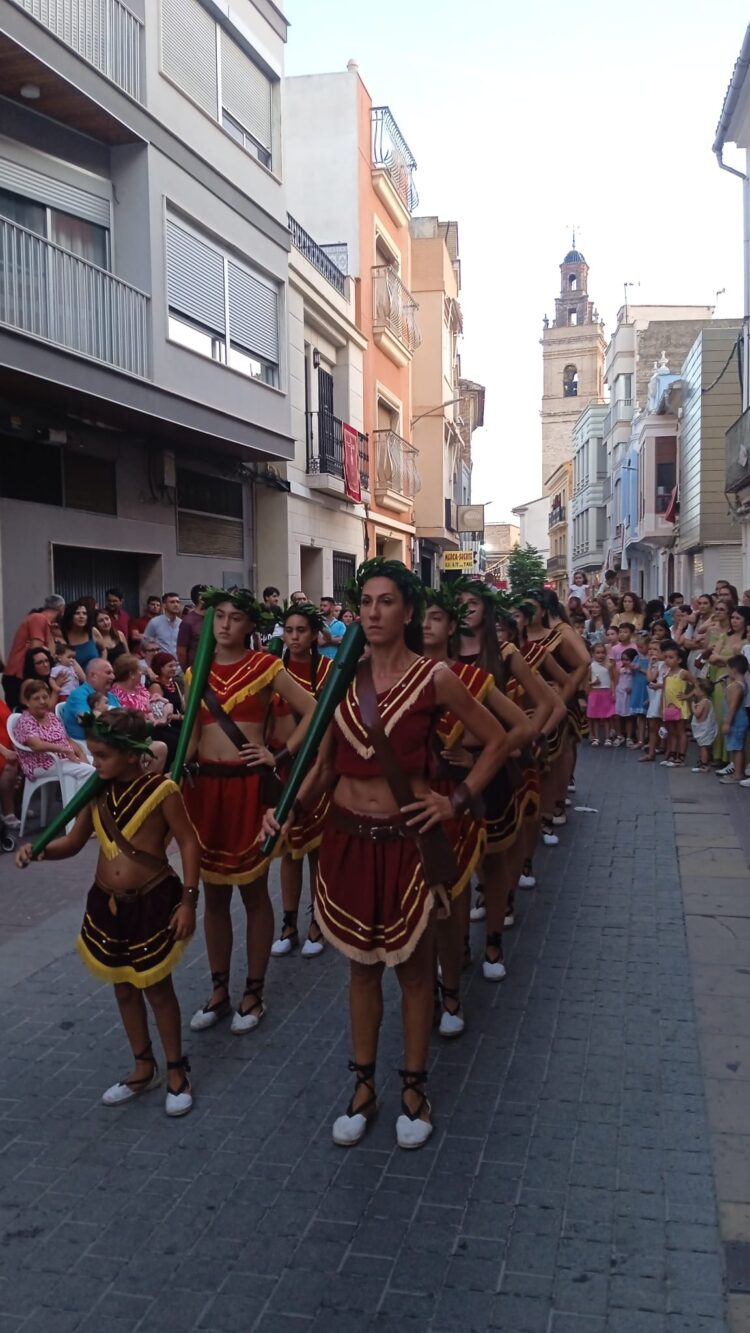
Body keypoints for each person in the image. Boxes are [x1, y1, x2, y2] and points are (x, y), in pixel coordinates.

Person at [264, 559, 505, 1150]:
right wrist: (290, 807)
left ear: (408, 610)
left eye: (386, 602)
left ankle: (415, 1089)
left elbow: (498, 739)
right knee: (361, 969)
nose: (372, 613)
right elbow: (323, 768)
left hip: (409, 842)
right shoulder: (341, 678)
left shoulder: (435, 678)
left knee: (415, 972)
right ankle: (363, 1085)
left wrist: (457, 801)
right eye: (365, 602)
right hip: (347, 838)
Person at [15, 710, 200, 1117]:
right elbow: (76, 841)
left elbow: (189, 843)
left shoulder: (163, 790)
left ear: (132, 756)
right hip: (106, 903)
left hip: (153, 901)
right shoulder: (96, 792)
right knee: (122, 987)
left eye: (102, 755)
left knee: (157, 988)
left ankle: (175, 1069)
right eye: (94, 754)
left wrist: (189, 900)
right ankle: (142, 1065)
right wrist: (41, 852)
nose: (94, 762)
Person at [184, 588, 316, 1036]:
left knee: (254, 893)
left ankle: (254, 992)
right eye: (218, 616)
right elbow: (192, 737)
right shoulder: (194, 673)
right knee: (213, 896)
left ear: (250, 625)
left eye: (235, 617)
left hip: (249, 790)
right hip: (207, 792)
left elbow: (314, 711)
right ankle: (220, 990)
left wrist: (279, 757)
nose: (224, 625)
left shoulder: (267, 667)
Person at [423, 585, 531, 1026]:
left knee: (469, 877)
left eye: (436, 617)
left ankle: (480, 952)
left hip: (464, 792)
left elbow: (521, 725)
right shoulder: (393, 674)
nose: (426, 626)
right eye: (422, 618)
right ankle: (433, 974)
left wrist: (480, 758)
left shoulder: (473, 676)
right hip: (415, 798)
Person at [270, 603, 333, 959]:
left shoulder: (327, 670)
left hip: (317, 767)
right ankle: (289, 923)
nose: (294, 637)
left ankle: (319, 921)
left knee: (318, 853)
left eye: (301, 631)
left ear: (314, 635)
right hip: (281, 767)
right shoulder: (271, 669)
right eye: (289, 630)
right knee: (289, 852)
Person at [12, 679, 92, 796]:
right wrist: (64, 750)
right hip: (42, 763)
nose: (42, 701)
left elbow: (67, 740)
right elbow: (36, 744)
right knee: (88, 771)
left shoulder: (51, 717)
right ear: (27, 702)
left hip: (63, 759)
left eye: (45, 697)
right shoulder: (26, 721)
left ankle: (86, 806)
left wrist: (82, 756)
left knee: (96, 764)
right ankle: (76, 810)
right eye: (36, 698)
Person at [3, 595, 65, 708]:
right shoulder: (38, 618)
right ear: (61, 608)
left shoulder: (47, 624)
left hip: (25, 675)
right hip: (18, 675)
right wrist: (44, 648)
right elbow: (37, 650)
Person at [62, 658, 119, 740]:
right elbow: (85, 720)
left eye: (113, 673)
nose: (113, 677)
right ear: (93, 675)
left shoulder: (111, 696)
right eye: (108, 673)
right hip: (86, 745)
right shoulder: (79, 694)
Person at [661, 643, 693, 768]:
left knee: (681, 731)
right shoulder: (666, 672)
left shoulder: (683, 673)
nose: (667, 660)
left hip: (680, 706)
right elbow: (664, 691)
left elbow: (696, 685)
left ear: (679, 660)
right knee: (671, 731)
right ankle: (672, 755)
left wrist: (687, 696)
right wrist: (662, 708)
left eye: (671, 657)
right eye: (666, 657)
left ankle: (681, 757)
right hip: (668, 707)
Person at [719, 657, 750, 784]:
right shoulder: (737, 684)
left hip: (736, 721)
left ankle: (738, 774)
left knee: (737, 748)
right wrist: (724, 686)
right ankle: (737, 771)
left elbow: (733, 706)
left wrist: (727, 722)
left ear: (734, 670)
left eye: (728, 669)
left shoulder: (738, 686)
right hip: (736, 720)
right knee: (734, 746)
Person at [60, 601, 103, 672]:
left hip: (96, 677)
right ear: (70, 615)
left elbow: (104, 649)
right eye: (77, 613)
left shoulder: (92, 631)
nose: (81, 616)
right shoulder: (63, 636)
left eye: (84, 613)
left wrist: (102, 664)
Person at [586, 642, 615, 746]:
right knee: (595, 717)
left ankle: (607, 738)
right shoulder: (591, 667)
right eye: (597, 653)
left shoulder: (609, 666)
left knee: (606, 717)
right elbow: (587, 681)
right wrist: (592, 683)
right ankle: (596, 737)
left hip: (606, 692)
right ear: (593, 654)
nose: (600, 655)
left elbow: (612, 679)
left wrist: (613, 692)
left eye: (603, 653)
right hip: (595, 692)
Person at [0, 697, 20, 833]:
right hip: (2, 750)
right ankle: (8, 813)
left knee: (26, 762)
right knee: (9, 767)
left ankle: (17, 807)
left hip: (9, 746)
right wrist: (5, 751)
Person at [176, 585, 207, 672]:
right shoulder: (188, 622)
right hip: (196, 670)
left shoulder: (213, 618)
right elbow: (181, 652)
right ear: (201, 598)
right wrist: (187, 672)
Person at [142, 594, 183, 658]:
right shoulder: (155, 622)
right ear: (164, 605)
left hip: (178, 664)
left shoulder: (182, 624)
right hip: (161, 663)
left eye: (177, 602)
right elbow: (145, 643)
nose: (176, 605)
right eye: (172, 602)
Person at [691, 679, 718, 773]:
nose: (694, 690)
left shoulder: (703, 702)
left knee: (703, 747)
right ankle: (704, 761)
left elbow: (697, 714)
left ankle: (704, 764)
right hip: (705, 727)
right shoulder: (707, 701)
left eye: (696, 688)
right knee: (704, 746)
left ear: (702, 692)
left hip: (703, 728)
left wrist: (693, 706)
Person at [150, 653, 184, 717]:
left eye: (175, 666)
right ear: (160, 668)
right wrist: (180, 717)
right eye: (170, 666)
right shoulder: (156, 686)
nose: (174, 668)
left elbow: (182, 708)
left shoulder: (174, 683)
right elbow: (159, 714)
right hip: (167, 724)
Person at [614, 648, 636, 746]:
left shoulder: (634, 671)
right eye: (623, 659)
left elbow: (636, 681)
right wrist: (613, 692)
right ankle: (619, 735)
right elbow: (615, 680)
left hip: (629, 694)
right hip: (620, 693)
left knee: (629, 716)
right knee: (618, 715)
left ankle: (629, 737)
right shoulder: (620, 669)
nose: (625, 662)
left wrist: (633, 689)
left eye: (627, 660)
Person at [318, 595, 347, 660]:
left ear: (332, 608)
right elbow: (320, 642)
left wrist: (325, 640)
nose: (322, 608)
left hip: (335, 660)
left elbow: (343, 641)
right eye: (321, 605)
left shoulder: (340, 624)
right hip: (320, 661)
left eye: (325, 606)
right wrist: (336, 639)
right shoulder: (317, 623)